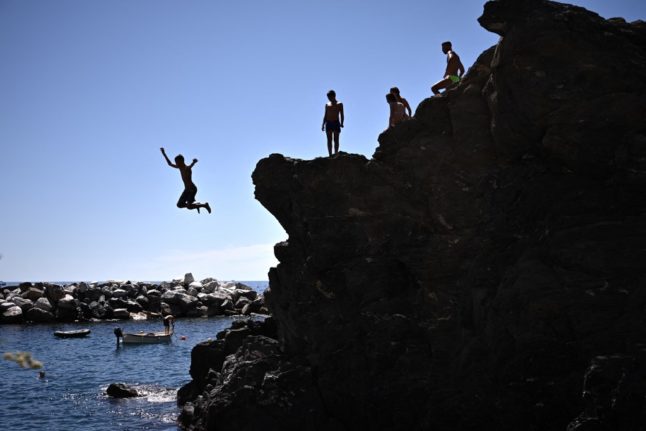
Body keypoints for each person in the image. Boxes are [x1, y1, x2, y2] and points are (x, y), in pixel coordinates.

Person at [160, 148, 211, 214]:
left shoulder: (186, 168)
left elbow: (190, 167)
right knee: (179, 205)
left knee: (189, 207)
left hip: (192, 189)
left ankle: (204, 205)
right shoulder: (180, 168)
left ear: (181, 161)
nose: (176, 164)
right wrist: (164, 154)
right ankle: (197, 205)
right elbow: (170, 164)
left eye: (177, 162)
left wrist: (193, 162)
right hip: (186, 189)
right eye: (176, 162)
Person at [321, 90, 344, 156]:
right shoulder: (327, 105)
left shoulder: (339, 104)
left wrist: (342, 123)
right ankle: (330, 155)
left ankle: (336, 154)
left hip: (336, 122)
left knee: (336, 140)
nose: (329, 99)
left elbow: (342, 114)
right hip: (328, 123)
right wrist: (323, 124)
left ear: (334, 96)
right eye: (328, 97)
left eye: (330, 97)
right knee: (329, 140)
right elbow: (325, 115)